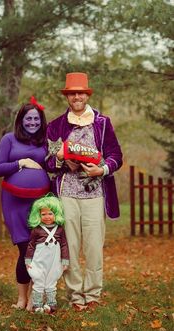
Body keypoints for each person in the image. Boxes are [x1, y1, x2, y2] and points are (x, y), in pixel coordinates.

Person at [46, 72, 123, 311]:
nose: (76, 97)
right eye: (72, 93)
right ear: (67, 97)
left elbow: (116, 156)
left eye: (80, 93)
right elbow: (47, 162)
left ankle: (93, 295)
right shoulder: (56, 125)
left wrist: (100, 170)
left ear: (87, 95)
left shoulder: (102, 122)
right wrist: (59, 160)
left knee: (93, 247)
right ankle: (75, 297)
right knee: (69, 245)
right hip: (67, 193)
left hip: (95, 194)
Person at [0, 96, 50, 311]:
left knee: (40, 248)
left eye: (36, 119)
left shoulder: (45, 141)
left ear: (41, 120)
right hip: (14, 203)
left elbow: (52, 165)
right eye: (29, 118)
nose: (33, 122)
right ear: (21, 120)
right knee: (25, 248)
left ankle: (35, 297)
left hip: (40, 202)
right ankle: (21, 298)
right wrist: (20, 163)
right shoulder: (9, 139)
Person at [25, 194, 69, 313]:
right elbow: (31, 245)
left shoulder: (60, 229)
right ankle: (37, 305)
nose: (47, 217)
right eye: (43, 214)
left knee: (51, 281)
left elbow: (64, 245)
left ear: (56, 214)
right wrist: (28, 260)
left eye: (50, 213)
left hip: (54, 261)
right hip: (39, 260)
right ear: (38, 215)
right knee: (38, 280)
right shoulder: (37, 230)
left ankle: (51, 304)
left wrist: (65, 260)